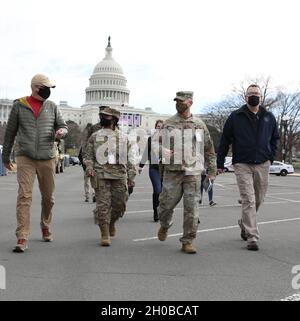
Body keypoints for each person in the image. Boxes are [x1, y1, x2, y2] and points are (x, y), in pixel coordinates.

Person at [2, 73, 68, 253]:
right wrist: (5, 157)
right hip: (26, 156)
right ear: (35, 87)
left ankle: (45, 224)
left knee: (48, 198)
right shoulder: (19, 106)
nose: (49, 91)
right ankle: (22, 236)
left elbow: (63, 126)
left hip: (47, 157)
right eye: (46, 88)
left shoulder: (52, 106)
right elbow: (10, 133)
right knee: (24, 196)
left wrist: (61, 131)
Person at [217, 84, 280, 251]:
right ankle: (252, 236)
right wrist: (220, 163)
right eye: (251, 93)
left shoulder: (269, 117)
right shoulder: (235, 117)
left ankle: (244, 224)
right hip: (242, 163)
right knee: (249, 199)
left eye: (256, 94)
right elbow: (225, 141)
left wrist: (270, 157)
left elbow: (275, 139)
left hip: (262, 163)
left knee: (258, 199)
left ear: (262, 97)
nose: (254, 96)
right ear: (245, 97)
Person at [154, 91, 216, 254]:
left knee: (192, 208)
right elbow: (154, 144)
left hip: (192, 173)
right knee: (165, 206)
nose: (178, 104)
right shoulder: (168, 124)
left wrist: (212, 170)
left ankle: (188, 240)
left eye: (181, 101)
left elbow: (209, 148)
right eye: (176, 101)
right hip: (172, 172)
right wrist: (162, 151)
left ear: (190, 103)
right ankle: (165, 225)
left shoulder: (199, 125)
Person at [84, 107, 137, 247]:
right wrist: (89, 168)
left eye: (105, 116)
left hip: (119, 175)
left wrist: (131, 175)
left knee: (119, 205)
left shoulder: (124, 138)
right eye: (101, 116)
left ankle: (112, 222)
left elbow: (132, 158)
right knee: (103, 205)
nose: (102, 118)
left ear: (114, 119)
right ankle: (104, 233)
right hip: (100, 174)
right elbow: (88, 155)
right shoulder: (95, 136)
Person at [139, 120, 164, 222]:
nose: (159, 128)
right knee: (157, 189)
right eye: (157, 127)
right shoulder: (151, 139)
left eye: (161, 127)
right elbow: (146, 153)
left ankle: (162, 211)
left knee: (163, 192)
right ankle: (156, 212)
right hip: (154, 169)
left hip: (165, 170)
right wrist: (141, 166)